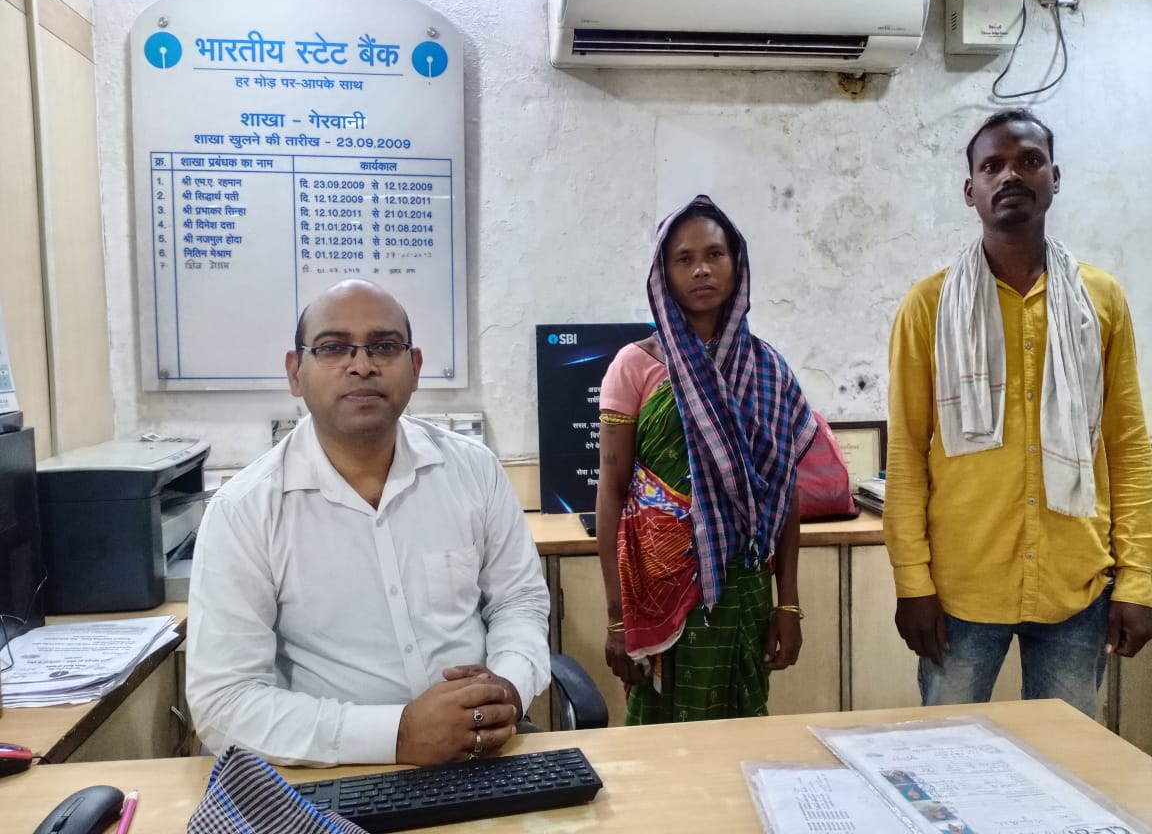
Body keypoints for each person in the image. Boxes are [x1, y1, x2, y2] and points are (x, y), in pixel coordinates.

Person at [186, 280, 550, 766]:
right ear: (295, 373)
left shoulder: (474, 470)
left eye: (384, 346)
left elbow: (519, 602)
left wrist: (508, 687)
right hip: (334, 771)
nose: (362, 365)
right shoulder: (244, 510)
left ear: (415, 367)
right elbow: (224, 701)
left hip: (483, 744)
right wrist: (397, 734)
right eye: (333, 347)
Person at [885, 110, 1152, 717]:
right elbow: (906, 451)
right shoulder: (928, 305)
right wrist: (912, 583)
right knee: (948, 756)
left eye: (1029, 160)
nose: (1011, 174)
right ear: (970, 189)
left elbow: (1128, 446)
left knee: (1064, 759)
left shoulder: (1100, 300)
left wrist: (1138, 580)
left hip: (1076, 583)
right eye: (992, 165)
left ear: (1054, 177)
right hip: (960, 588)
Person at [596, 195, 817, 724]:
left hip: (745, 592)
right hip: (661, 590)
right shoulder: (634, 366)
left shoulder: (768, 368)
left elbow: (784, 492)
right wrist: (617, 618)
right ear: (663, 275)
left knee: (742, 735)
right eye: (684, 258)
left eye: (714, 254)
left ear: (736, 264)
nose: (701, 269)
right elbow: (611, 491)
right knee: (661, 739)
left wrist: (787, 602)